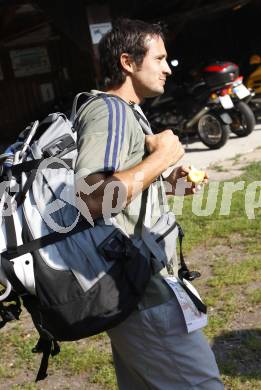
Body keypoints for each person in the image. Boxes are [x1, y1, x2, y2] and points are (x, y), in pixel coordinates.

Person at [75, 18, 224, 390]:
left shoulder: (128, 112)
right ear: (128, 62)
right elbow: (90, 198)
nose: (168, 68)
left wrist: (165, 183)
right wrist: (162, 157)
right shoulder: (108, 111)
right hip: (146, 296)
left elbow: (119, 191)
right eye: (159, 58)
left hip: (140, 290)